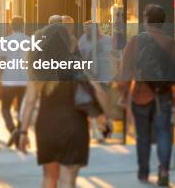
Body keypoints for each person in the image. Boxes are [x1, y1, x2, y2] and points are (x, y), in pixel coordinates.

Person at [18, 24, 109, 188]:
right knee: (68, 179)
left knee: (49, 176)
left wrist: (23, 132)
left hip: (46, 127)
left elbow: (30, 102)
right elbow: (98, 92)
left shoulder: (39, 69)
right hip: (74, 127)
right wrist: (106, 116)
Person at [119, 4, 175, 186]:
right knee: (164, 133)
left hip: (140, 94)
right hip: (163, 95)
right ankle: (163, 170)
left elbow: (125, 70)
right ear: (162, 22)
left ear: (146, 19)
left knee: (143, 135)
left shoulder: (135, 41)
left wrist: (123, 93)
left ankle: (143, 172)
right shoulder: (171, 43)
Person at [0, 17, 29, 143]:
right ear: (23, 26)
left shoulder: (5, 41)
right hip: (25, 80)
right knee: (22, 108)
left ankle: (12, 130)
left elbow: (1, 61)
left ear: (11, 27)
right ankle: (19, 130)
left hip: (8, 81)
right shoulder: (29, 41)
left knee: (5, 108)